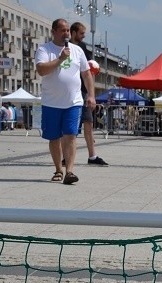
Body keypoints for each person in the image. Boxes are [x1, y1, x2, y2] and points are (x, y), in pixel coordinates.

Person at [35, 18, 96, 185]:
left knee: (70, 135)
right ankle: (58, 169)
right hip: (51, 102)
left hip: (73, 101)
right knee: (54, 137)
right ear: (54, 32)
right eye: (62, 30)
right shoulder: (44, 49)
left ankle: (69, 171)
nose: (66, 33)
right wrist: (60, 59)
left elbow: (86, 74)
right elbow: (41, 70)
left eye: (68, 30)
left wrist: (91, 95)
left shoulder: (77, 50)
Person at [69, 21, 108, 166]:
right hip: (71, 90)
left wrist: (91, 94)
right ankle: (66, 155)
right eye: (81, 33)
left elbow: (88, 68)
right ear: (73, 33)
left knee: (88, 122)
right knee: (70, 125)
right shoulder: (66, 47)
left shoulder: (83, 48)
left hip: (83, 91)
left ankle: (92, 156)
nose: (83, 36)